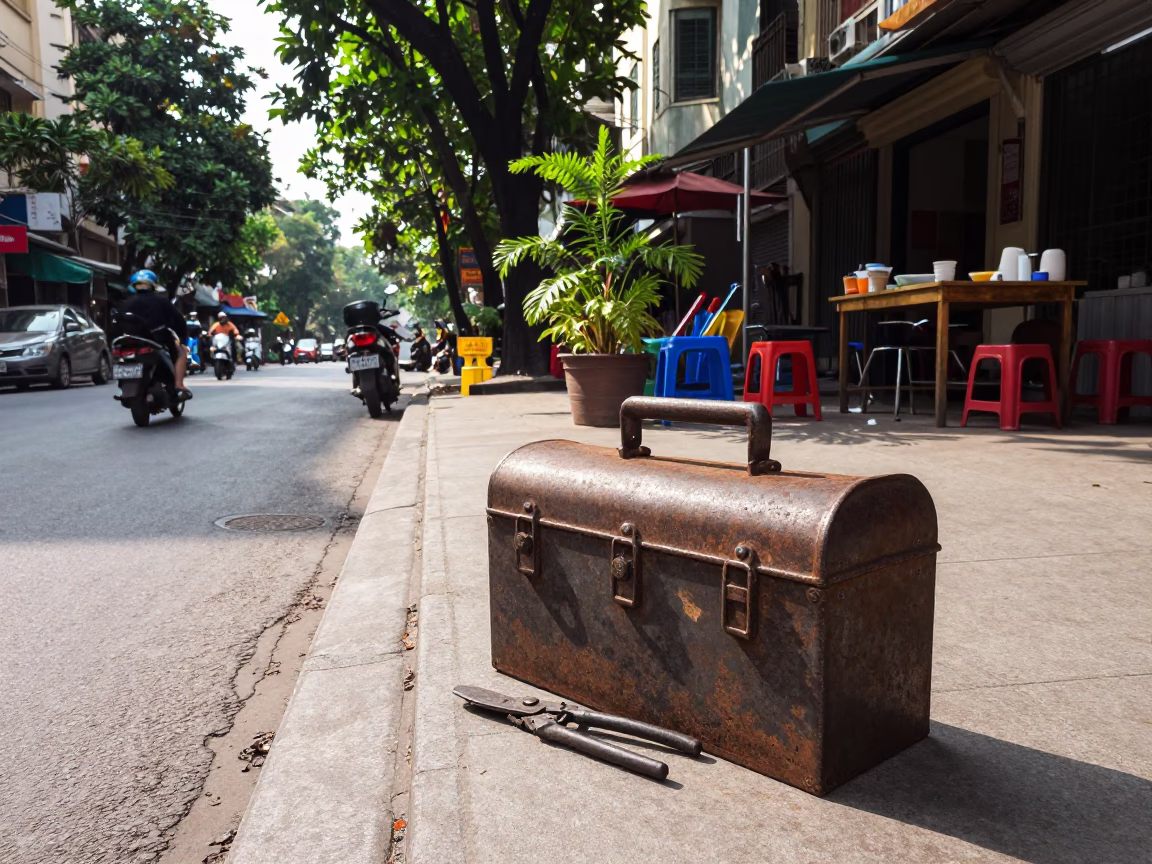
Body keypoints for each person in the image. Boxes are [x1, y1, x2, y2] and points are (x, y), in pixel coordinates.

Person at [115, 269, 191, 398]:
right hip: (156, 339)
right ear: (153, 285)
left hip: (128, 341)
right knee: (181, 353)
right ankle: (179, 385)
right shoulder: (162, 301)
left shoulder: (124, 303)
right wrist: (183, 339)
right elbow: (179, 321)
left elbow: (116, 323)